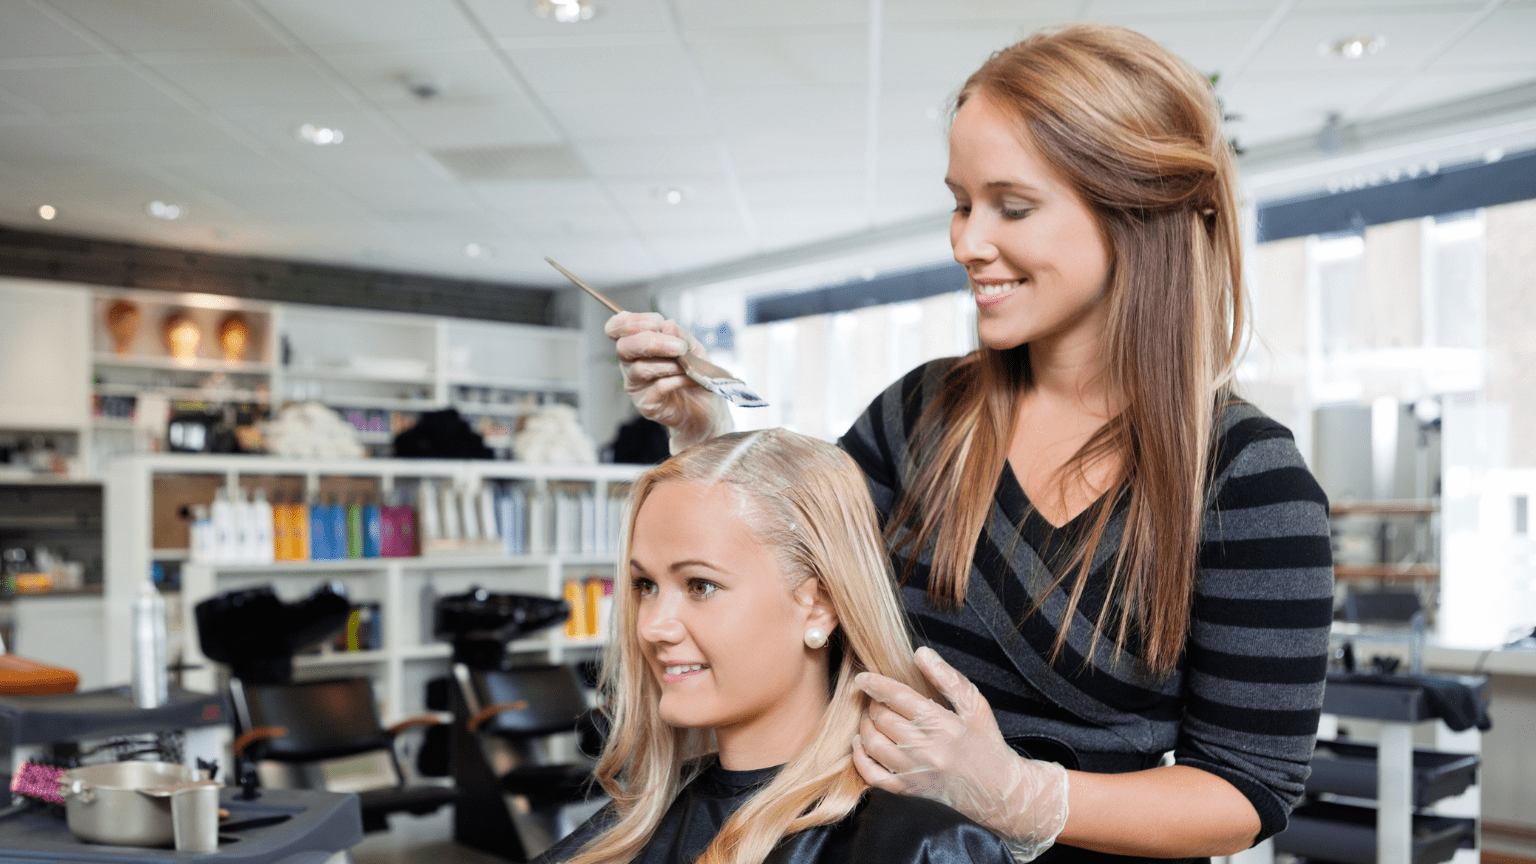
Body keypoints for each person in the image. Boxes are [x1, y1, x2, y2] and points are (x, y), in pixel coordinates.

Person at [603, 23, 1334, 863]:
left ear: (1139, 209)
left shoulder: (1249, 482)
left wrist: (1021, 794)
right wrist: (707, 434)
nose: (965, 243)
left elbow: (1247, 788)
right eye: (960, 203)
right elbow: (795, 578)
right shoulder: (920, 416)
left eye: (1012, 207)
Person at [539, 429, 1017, 864]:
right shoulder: (624, 834)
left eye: (700, 586)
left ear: (819, 606)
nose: (653, 627)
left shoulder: (924, 849)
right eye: (645, 585)